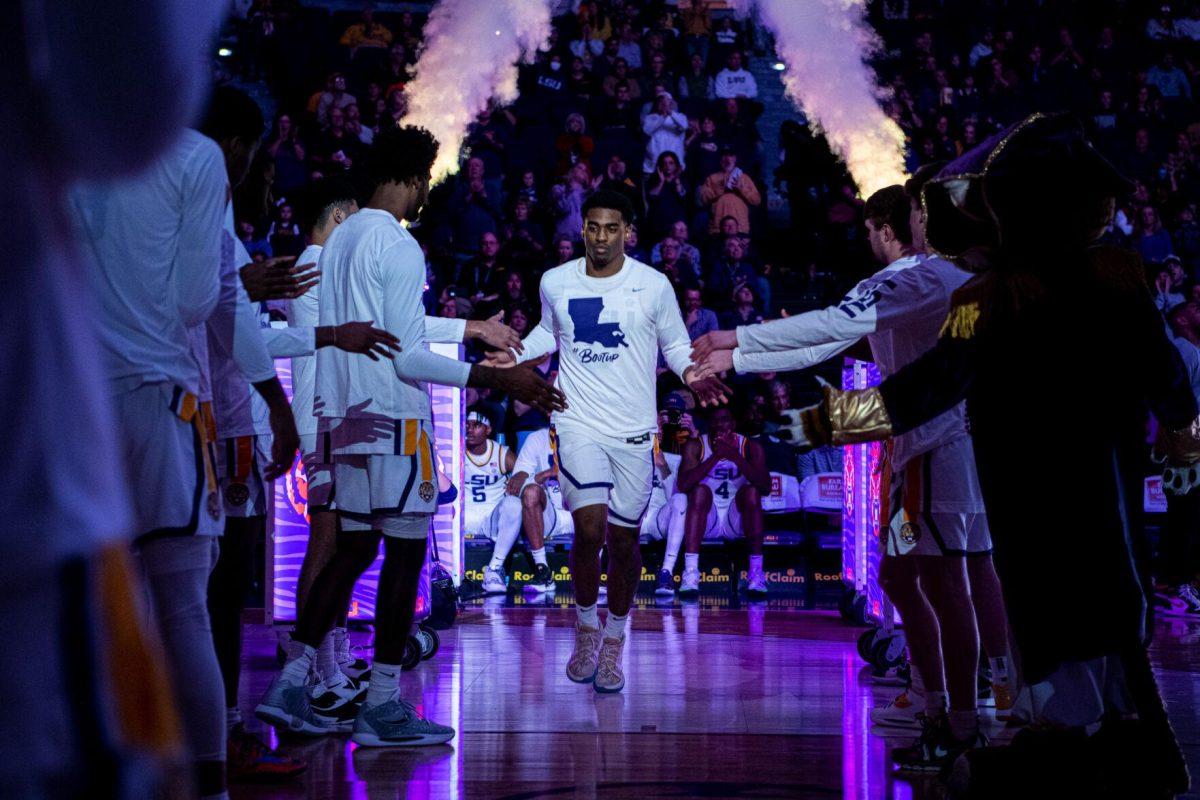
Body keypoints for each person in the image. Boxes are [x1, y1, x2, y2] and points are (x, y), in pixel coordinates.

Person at [772, 115, 1194, 796]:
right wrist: (1183, 428)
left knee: (1073, 613)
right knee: (1085, 615)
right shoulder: (1101, 280)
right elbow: (1164, 371)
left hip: (1049, 486)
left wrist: (824, 422)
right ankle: (1104, 741)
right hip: (1066, 486)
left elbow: (927, 384)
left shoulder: (994, 295)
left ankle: (1072, 743)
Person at [692, 174, 1014, 769]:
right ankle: (954, 696)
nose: (915, 222)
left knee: (952, 582)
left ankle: (969, 715)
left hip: (942, 441)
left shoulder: (921, 276)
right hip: (929, 441)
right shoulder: (951, 279)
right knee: (913, 576)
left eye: (919, 212)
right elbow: (833, 341)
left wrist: (735, 339)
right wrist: (740, 355)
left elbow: (828, 332)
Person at [256, 125, 564, 747]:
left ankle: (291, 683)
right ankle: (384, 706)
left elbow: (391, 324)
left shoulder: (338, 243)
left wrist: (469, 326)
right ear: (410, 175)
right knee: (403, 558)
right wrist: (498, 381)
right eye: (425, 179)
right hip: (394, 422)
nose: (427, 191)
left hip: (344, 420)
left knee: (352, 551)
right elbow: (406, 358)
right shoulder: (398, 244)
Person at [490, 190, 728, 693]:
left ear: (628, 232)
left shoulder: (653, 284)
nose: (601, 236)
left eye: (611, 228)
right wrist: (515, 358)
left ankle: (616, 638)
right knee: (590, 529)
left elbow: (676, 344)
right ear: (584, 231)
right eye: (593, 227)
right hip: (577, 424)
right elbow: (546, 335)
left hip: (635, 432)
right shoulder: (556, 281)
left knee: (623, 541)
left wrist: (691, 370)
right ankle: (585, 627)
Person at [675, 406, 771, 597]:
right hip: (706, 520)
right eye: (716, 420)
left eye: (725, 419)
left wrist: (734, 456)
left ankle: (756, 573)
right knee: (699, 491)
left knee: (752, 492)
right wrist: (717, 456)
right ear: (709, 424)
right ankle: (691, 572)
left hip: (736, 521)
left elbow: (765, 487)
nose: (720, 424)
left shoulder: (750, 447)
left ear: (733, 424)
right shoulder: (696, 445)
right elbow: (683, 485)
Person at [462, 410, 522, 594]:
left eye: (476, 425)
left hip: (492, 518)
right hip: (464, 517)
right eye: (467, 425)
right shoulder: (456, 450)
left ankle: (494, 569)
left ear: (488, 429)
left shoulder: (501, 453)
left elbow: (526, 475)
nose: (470, 430)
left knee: (514, 504)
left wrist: (518, 481)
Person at [507, 427, 571, 591]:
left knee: (604, 496)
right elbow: (517, 485)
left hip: (584, 511)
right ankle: (543, 571)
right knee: (530, 492)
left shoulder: (590, 433)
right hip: (553, 515)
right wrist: (545, 474)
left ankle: (597, 574)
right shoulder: (537, 438)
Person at [699, 147, 761, 235]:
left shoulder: (744, 178)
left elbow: (756, 200)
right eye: (724, 156)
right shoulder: (712, 178)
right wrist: (721, 188)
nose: (727, 159)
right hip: (717, 229)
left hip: (740, 229)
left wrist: (741, 189)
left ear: (735, 159)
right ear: (720, 159)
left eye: (731, 156)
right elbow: (703, 199)